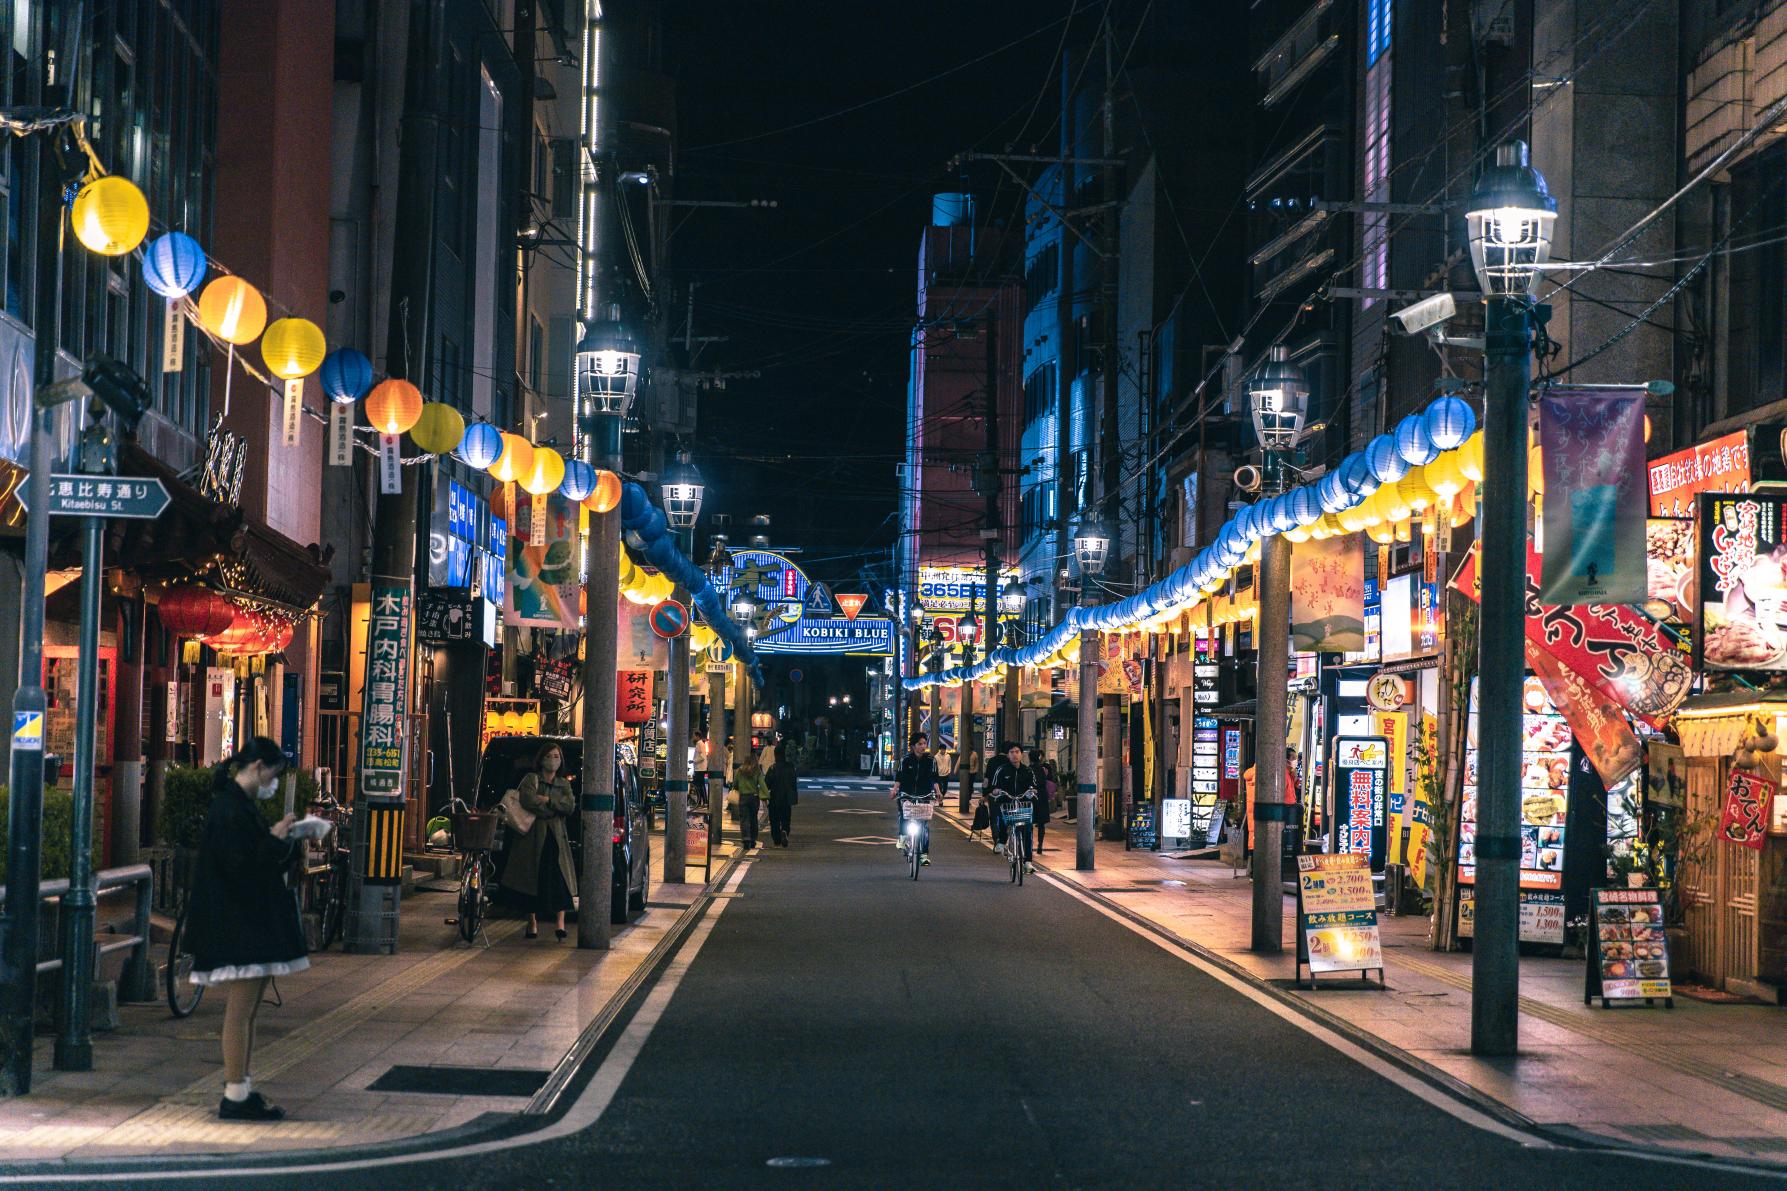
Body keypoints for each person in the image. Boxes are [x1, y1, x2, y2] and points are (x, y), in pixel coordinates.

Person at [185, 737, 307, 1121]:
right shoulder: (230, 810)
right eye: (273, 773)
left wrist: (280, 838)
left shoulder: (235, 807)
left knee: (248, 1009)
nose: (274, 781)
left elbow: (250, 862)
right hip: (239, 927)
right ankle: (235, 1093)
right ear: (257, 766)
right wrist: (274, 840)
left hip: (245, 925)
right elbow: (243, 868)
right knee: (241, 1011)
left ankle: (241, 1088)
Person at [504, 741, 578, 940]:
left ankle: (560, 923)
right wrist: (554, 806)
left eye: (556, 756)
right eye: (549, 756)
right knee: (532, 879)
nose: (553, 760)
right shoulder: (531, 779)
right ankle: (532, 922)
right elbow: (527, 801)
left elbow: (570, 806)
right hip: (533, 838)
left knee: (559, 879)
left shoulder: (563, 783)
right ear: (541, 759)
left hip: (556, 838)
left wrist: (547, 801)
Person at [990, 742, 1039, 874]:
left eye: (1017, 752)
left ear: (1021, 754)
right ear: (1008, 755)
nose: (1015, 755)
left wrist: (1033, 791)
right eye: (1011, 752)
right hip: (1007, 803)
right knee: (1002, 818)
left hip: (1023, 805)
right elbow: (993, 785)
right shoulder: (1002, 770)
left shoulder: (1028, 771)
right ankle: (1001, 841)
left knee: (1028, 830)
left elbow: (1034, 786)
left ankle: (1028, 862)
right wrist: (996, 791)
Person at [894, 732, 939, 861]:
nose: (923, 746)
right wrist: (894, 789)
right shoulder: (906, 759)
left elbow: (934, 778)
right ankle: (902, 838)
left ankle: (924, 855)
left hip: (924, 792)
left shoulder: (931, 760)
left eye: (925, 743)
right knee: (904, 812)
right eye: (920, 744)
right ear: (913, 746)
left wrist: (938, 791)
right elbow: (899, 777)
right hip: (907, 792)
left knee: (924, 825)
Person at [735, 755, 768, 850]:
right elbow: (762, 784)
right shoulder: (757, 771)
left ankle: (746, 839)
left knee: (744, 819)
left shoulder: (740, 771)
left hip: (743, 797)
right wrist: (766, 796)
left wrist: (739, 787)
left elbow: (735, 784)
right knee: (753, 819)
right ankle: (753, 840)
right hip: (754, 798)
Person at [766, 752, 798, 846]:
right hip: (786, 798)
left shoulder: (772, 768)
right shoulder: (790, 767)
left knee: (774, 820)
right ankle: (784, 830)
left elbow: (767, 783)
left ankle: (776, 839)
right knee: (786, 818)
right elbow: (793, 782)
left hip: (774, 798)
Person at [1029, 749, 1056, 853]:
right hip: (1042, 796)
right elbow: (1050, 781)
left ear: (1030, 758)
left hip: (1031, 796)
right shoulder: (1044, 768)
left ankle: (1030, 844)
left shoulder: (1028, 769)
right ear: (1039, 757)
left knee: (1029, 823)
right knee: (1041, 824)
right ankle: (1040, 845)